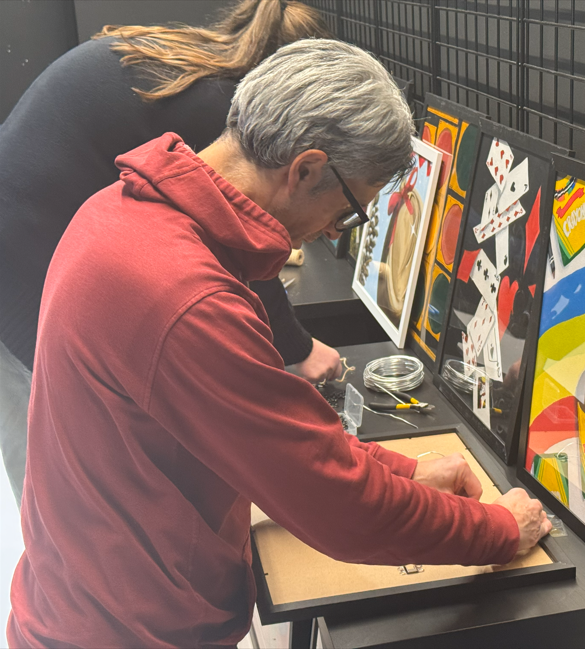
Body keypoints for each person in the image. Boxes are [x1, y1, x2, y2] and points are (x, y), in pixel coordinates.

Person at [7, 39, 552, 648]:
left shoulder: (125, 212)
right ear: (307, 170)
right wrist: (498, 529)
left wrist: (408, 471)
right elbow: (333, 502)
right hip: (126, 632)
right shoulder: (188, 298)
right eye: (348, 213)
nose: (331, 232)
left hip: (83, 597)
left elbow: (286, 440)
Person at [0, 0, 341, 510]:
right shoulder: (220, 110)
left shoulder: (186, 62)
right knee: (64, 449)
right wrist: (299, 348)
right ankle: (76, 560)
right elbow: (243, 230)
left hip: (25, 227)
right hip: (18, 261)